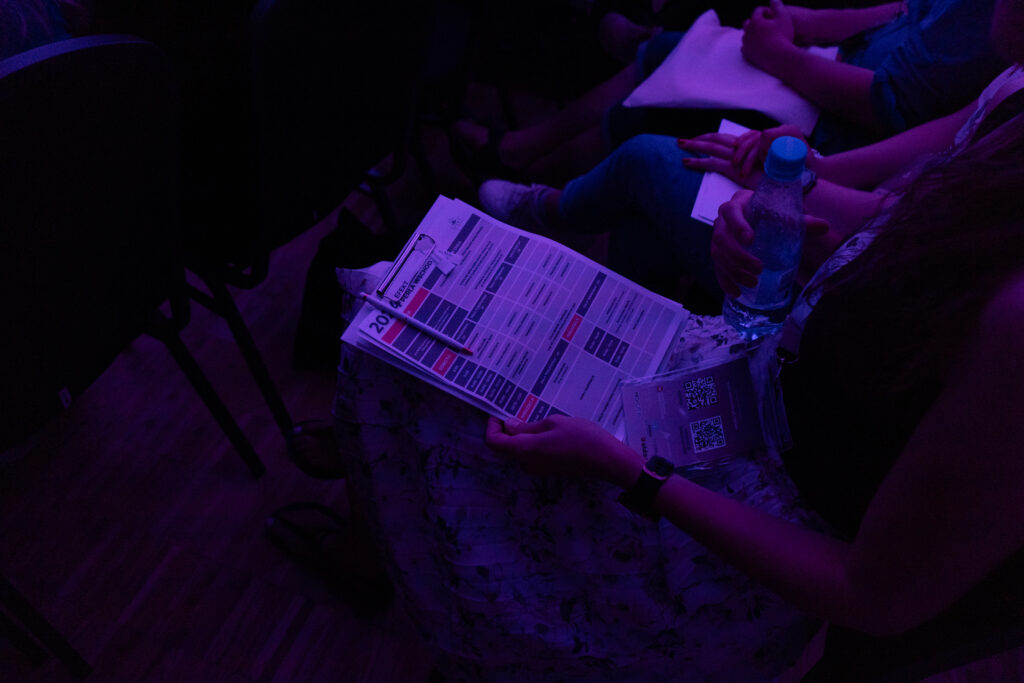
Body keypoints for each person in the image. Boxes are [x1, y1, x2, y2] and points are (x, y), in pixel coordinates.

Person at [454, 0, 1005, 186]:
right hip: (838, 63)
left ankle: (534, 185)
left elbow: (892, 104)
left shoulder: (993, 27)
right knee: (668, 50)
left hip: (840, 122)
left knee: (648, 116)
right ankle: (521, 149)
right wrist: (806, 22)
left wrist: (780, 55)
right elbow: (909, 10)